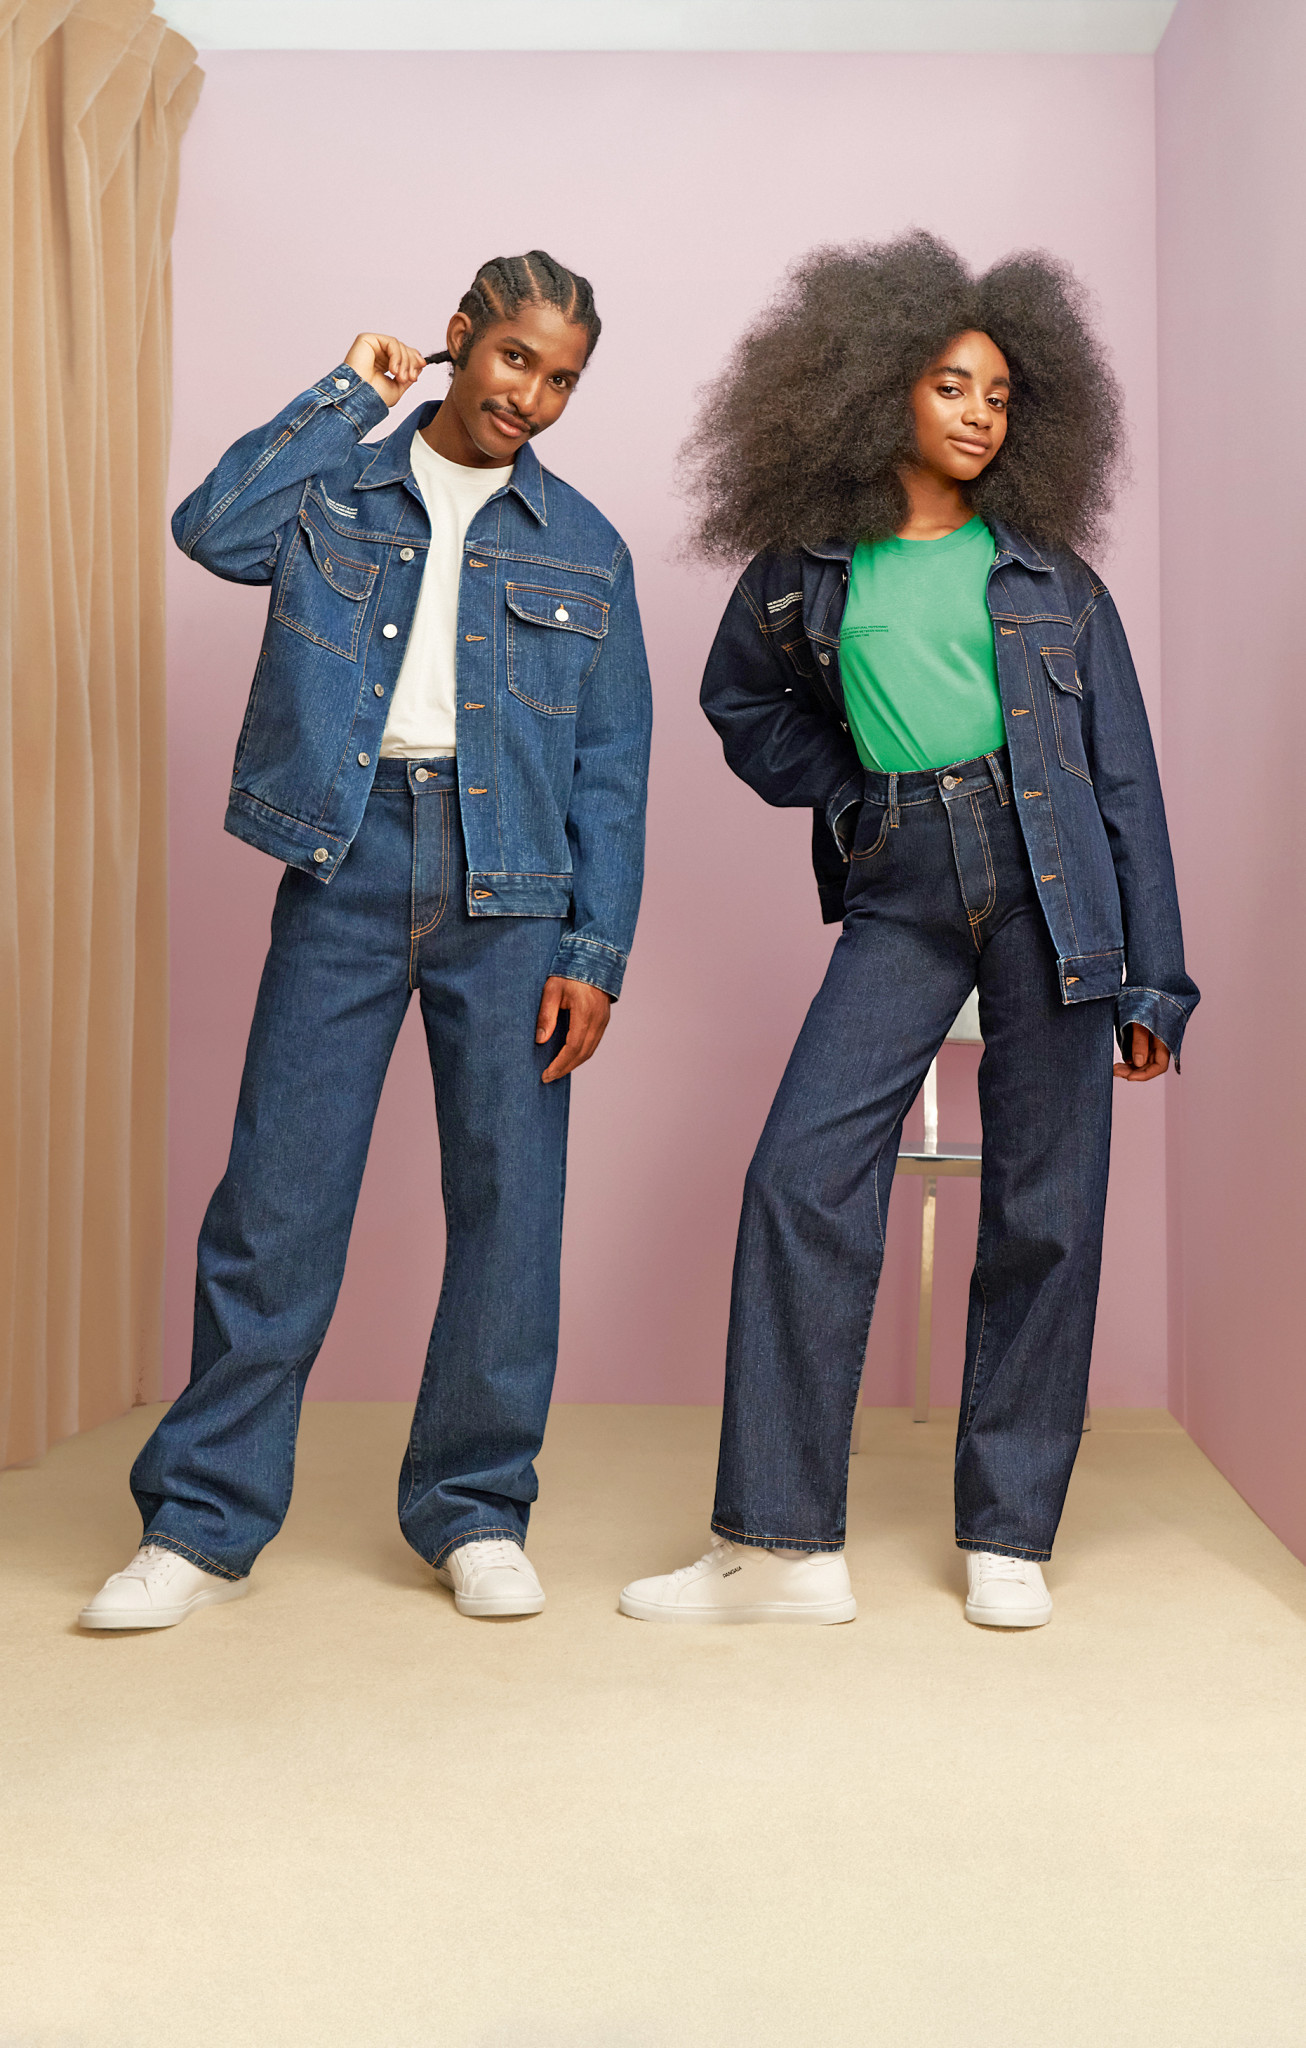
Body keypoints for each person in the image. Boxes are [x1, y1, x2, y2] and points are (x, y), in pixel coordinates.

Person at [620, 231, 1196, 1630]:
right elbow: (741, 703)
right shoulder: (803, 569)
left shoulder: (1054, 579)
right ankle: (780, 1547)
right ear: (876, 386)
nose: (978, 415)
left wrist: (1156, 981)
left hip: (1054, 882)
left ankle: (1007, 1534)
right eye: (950, 386)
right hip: (901, 878)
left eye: (998, 394)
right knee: (799, 1174)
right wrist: (848, 796)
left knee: (1045, 1207)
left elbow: (1123, 780)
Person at [81, 251, 652, 1631]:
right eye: (513, 359)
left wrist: (594, 952)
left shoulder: (585, 546)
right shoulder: (337, 488)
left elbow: (613, 770)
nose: (532, 397)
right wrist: (349, 394)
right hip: (344, 859)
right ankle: (200, 1522)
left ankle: (475, 1509)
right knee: (276, 1203)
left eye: (562, 381)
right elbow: (213, 528)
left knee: (509, 1209)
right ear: (461, 337)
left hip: (513, 886)